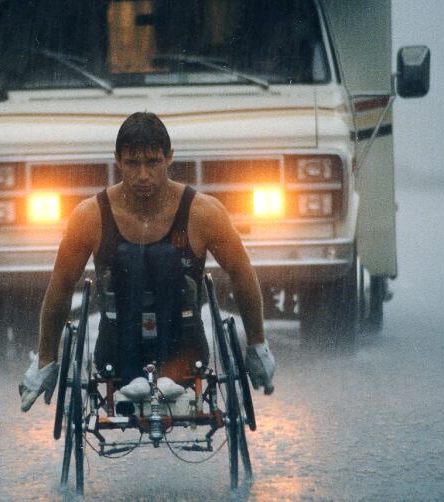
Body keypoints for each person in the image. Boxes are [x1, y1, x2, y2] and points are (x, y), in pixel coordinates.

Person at [20, 112, 274, 412]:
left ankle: (168, 373)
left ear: (169, 158)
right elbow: (61, 285)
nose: (143, 175)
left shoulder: (204, 212)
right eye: (132, 163)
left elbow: (241, 272)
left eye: (152, 162)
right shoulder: (90, 215)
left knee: (164, 256)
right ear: (118, 161)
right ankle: (132, 375)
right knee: (129, 256)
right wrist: (47, 358)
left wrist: (257, 345)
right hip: (116, 348)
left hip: (185, 348)